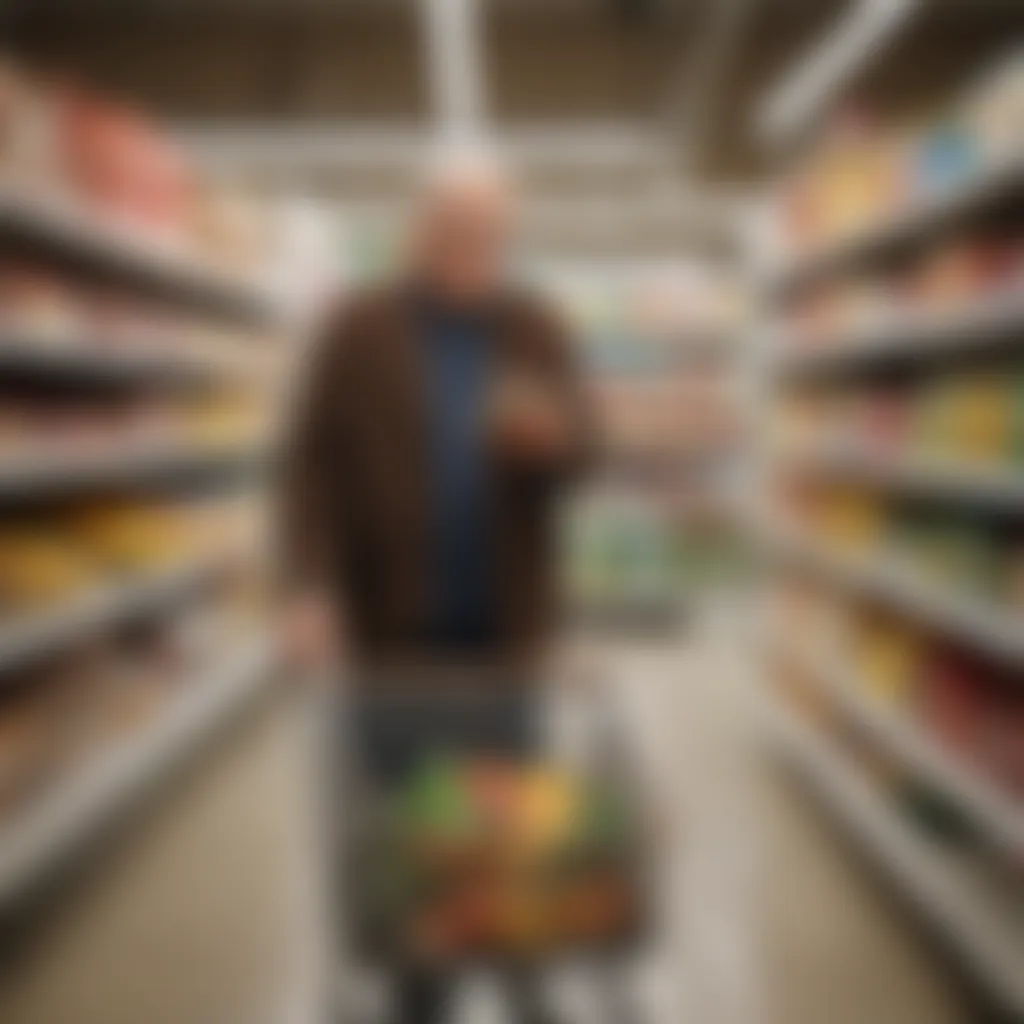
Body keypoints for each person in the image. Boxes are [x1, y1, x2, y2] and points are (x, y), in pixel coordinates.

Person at [280, 149, 594, 1024]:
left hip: (507, 643)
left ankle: (522, 989)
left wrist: (554, 446)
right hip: (396, 650)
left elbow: (586, 454)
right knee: (416, 866)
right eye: (455, 229)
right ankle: (421, 1003)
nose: (472, 248)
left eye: (490, 232)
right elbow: (309, 463)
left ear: (509, 234)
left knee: (508, 859)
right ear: (418, 227)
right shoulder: (358, 327)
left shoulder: (538, 326)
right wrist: (308, 590)